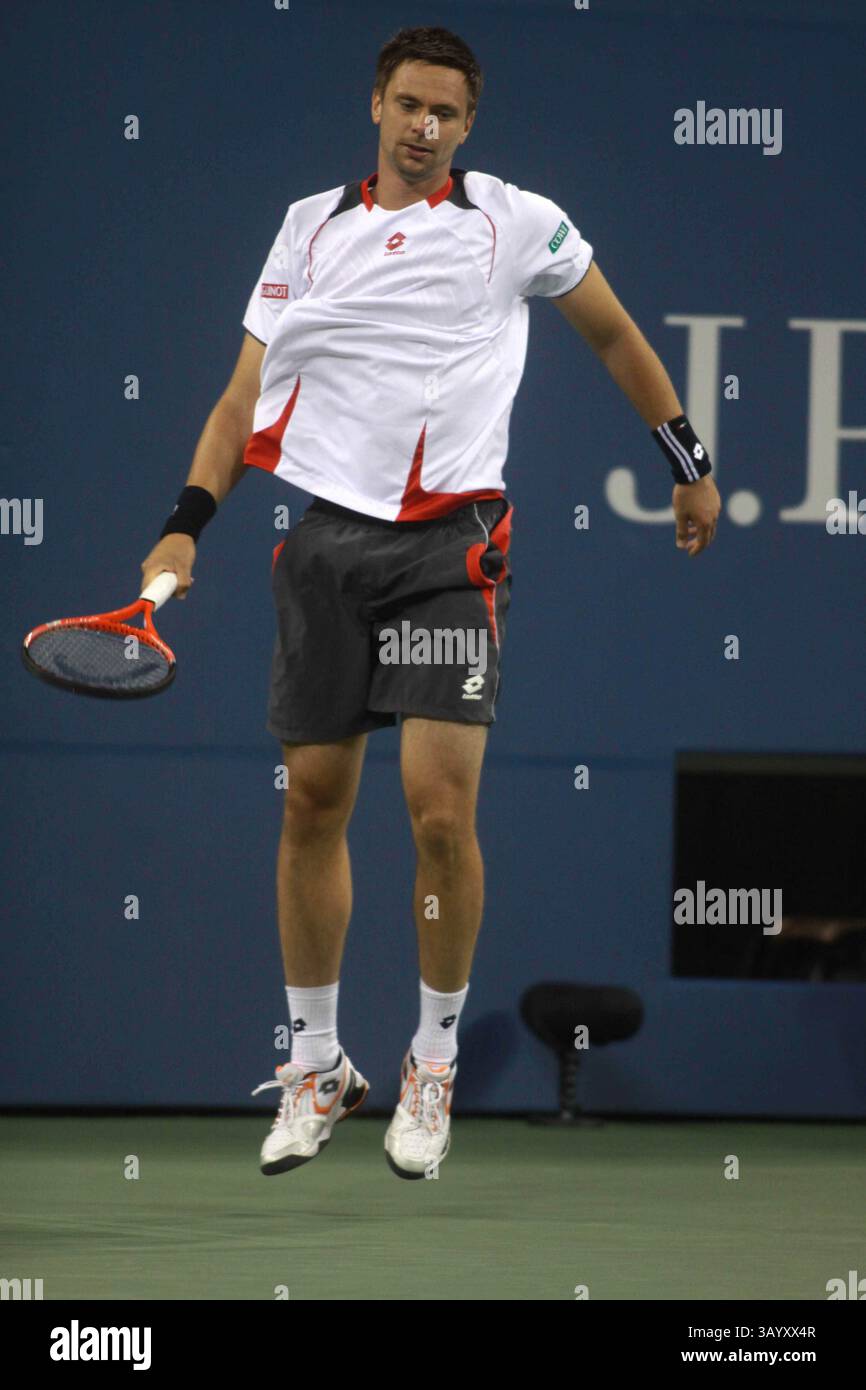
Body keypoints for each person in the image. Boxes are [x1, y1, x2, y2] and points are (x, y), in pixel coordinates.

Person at [140, 25, 721, 1181]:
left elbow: (613, 335)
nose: (423, 126)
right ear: (374, 103)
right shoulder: (308, 229)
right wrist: (184, 520)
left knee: (437, 811)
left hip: (452, 546)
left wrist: (688, 460)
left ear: (467, 124)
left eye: (444, 113)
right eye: (407, 104)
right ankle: (316, 1063)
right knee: (311, 801)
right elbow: (241, 396)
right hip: (324, 544)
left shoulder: (514, 223)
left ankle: (432, 1060)